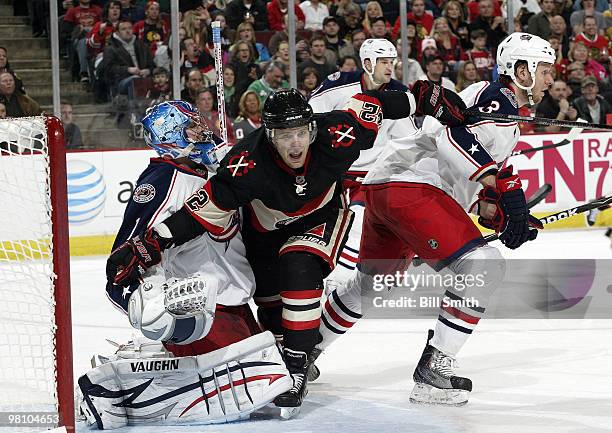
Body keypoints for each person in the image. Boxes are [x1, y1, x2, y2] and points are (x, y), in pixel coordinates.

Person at [105, 85, 467, 418]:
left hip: (321, 219)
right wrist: (149, 243)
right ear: (268, 135)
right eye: (283, 135)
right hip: (265, 237)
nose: (295, 145)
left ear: (312, 129)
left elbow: (377, 101)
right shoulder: (245, 163)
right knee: (273, 324)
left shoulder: (337, 134)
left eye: (301, 133)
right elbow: (199, 212)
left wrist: (425, 96)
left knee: (299, 270)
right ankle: (281, 354)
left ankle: (297, 369)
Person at [318, 32, 554, 406]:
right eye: (543, 70)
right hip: (413, 187)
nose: (549, 79)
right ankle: (433, 370)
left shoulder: (507, 116)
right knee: (484, 267)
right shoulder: (492, 97)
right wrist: (499, 185)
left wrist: (506, 217)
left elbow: (483, 185)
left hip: (388, 188)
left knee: (373, 285)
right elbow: (454, 136)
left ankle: (304, 349)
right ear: (520, 69)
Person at [80, 101, 291, 428]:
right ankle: (140, 373)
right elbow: (122, 263)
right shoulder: (163, 179)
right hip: (201, 311)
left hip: (234, 304)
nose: (202, 129)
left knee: (277, 378)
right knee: (263, 384)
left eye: (198, 122)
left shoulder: (211, 173)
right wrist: (156, 318)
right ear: (169, 135)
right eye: (190, 126)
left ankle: (162, 362)